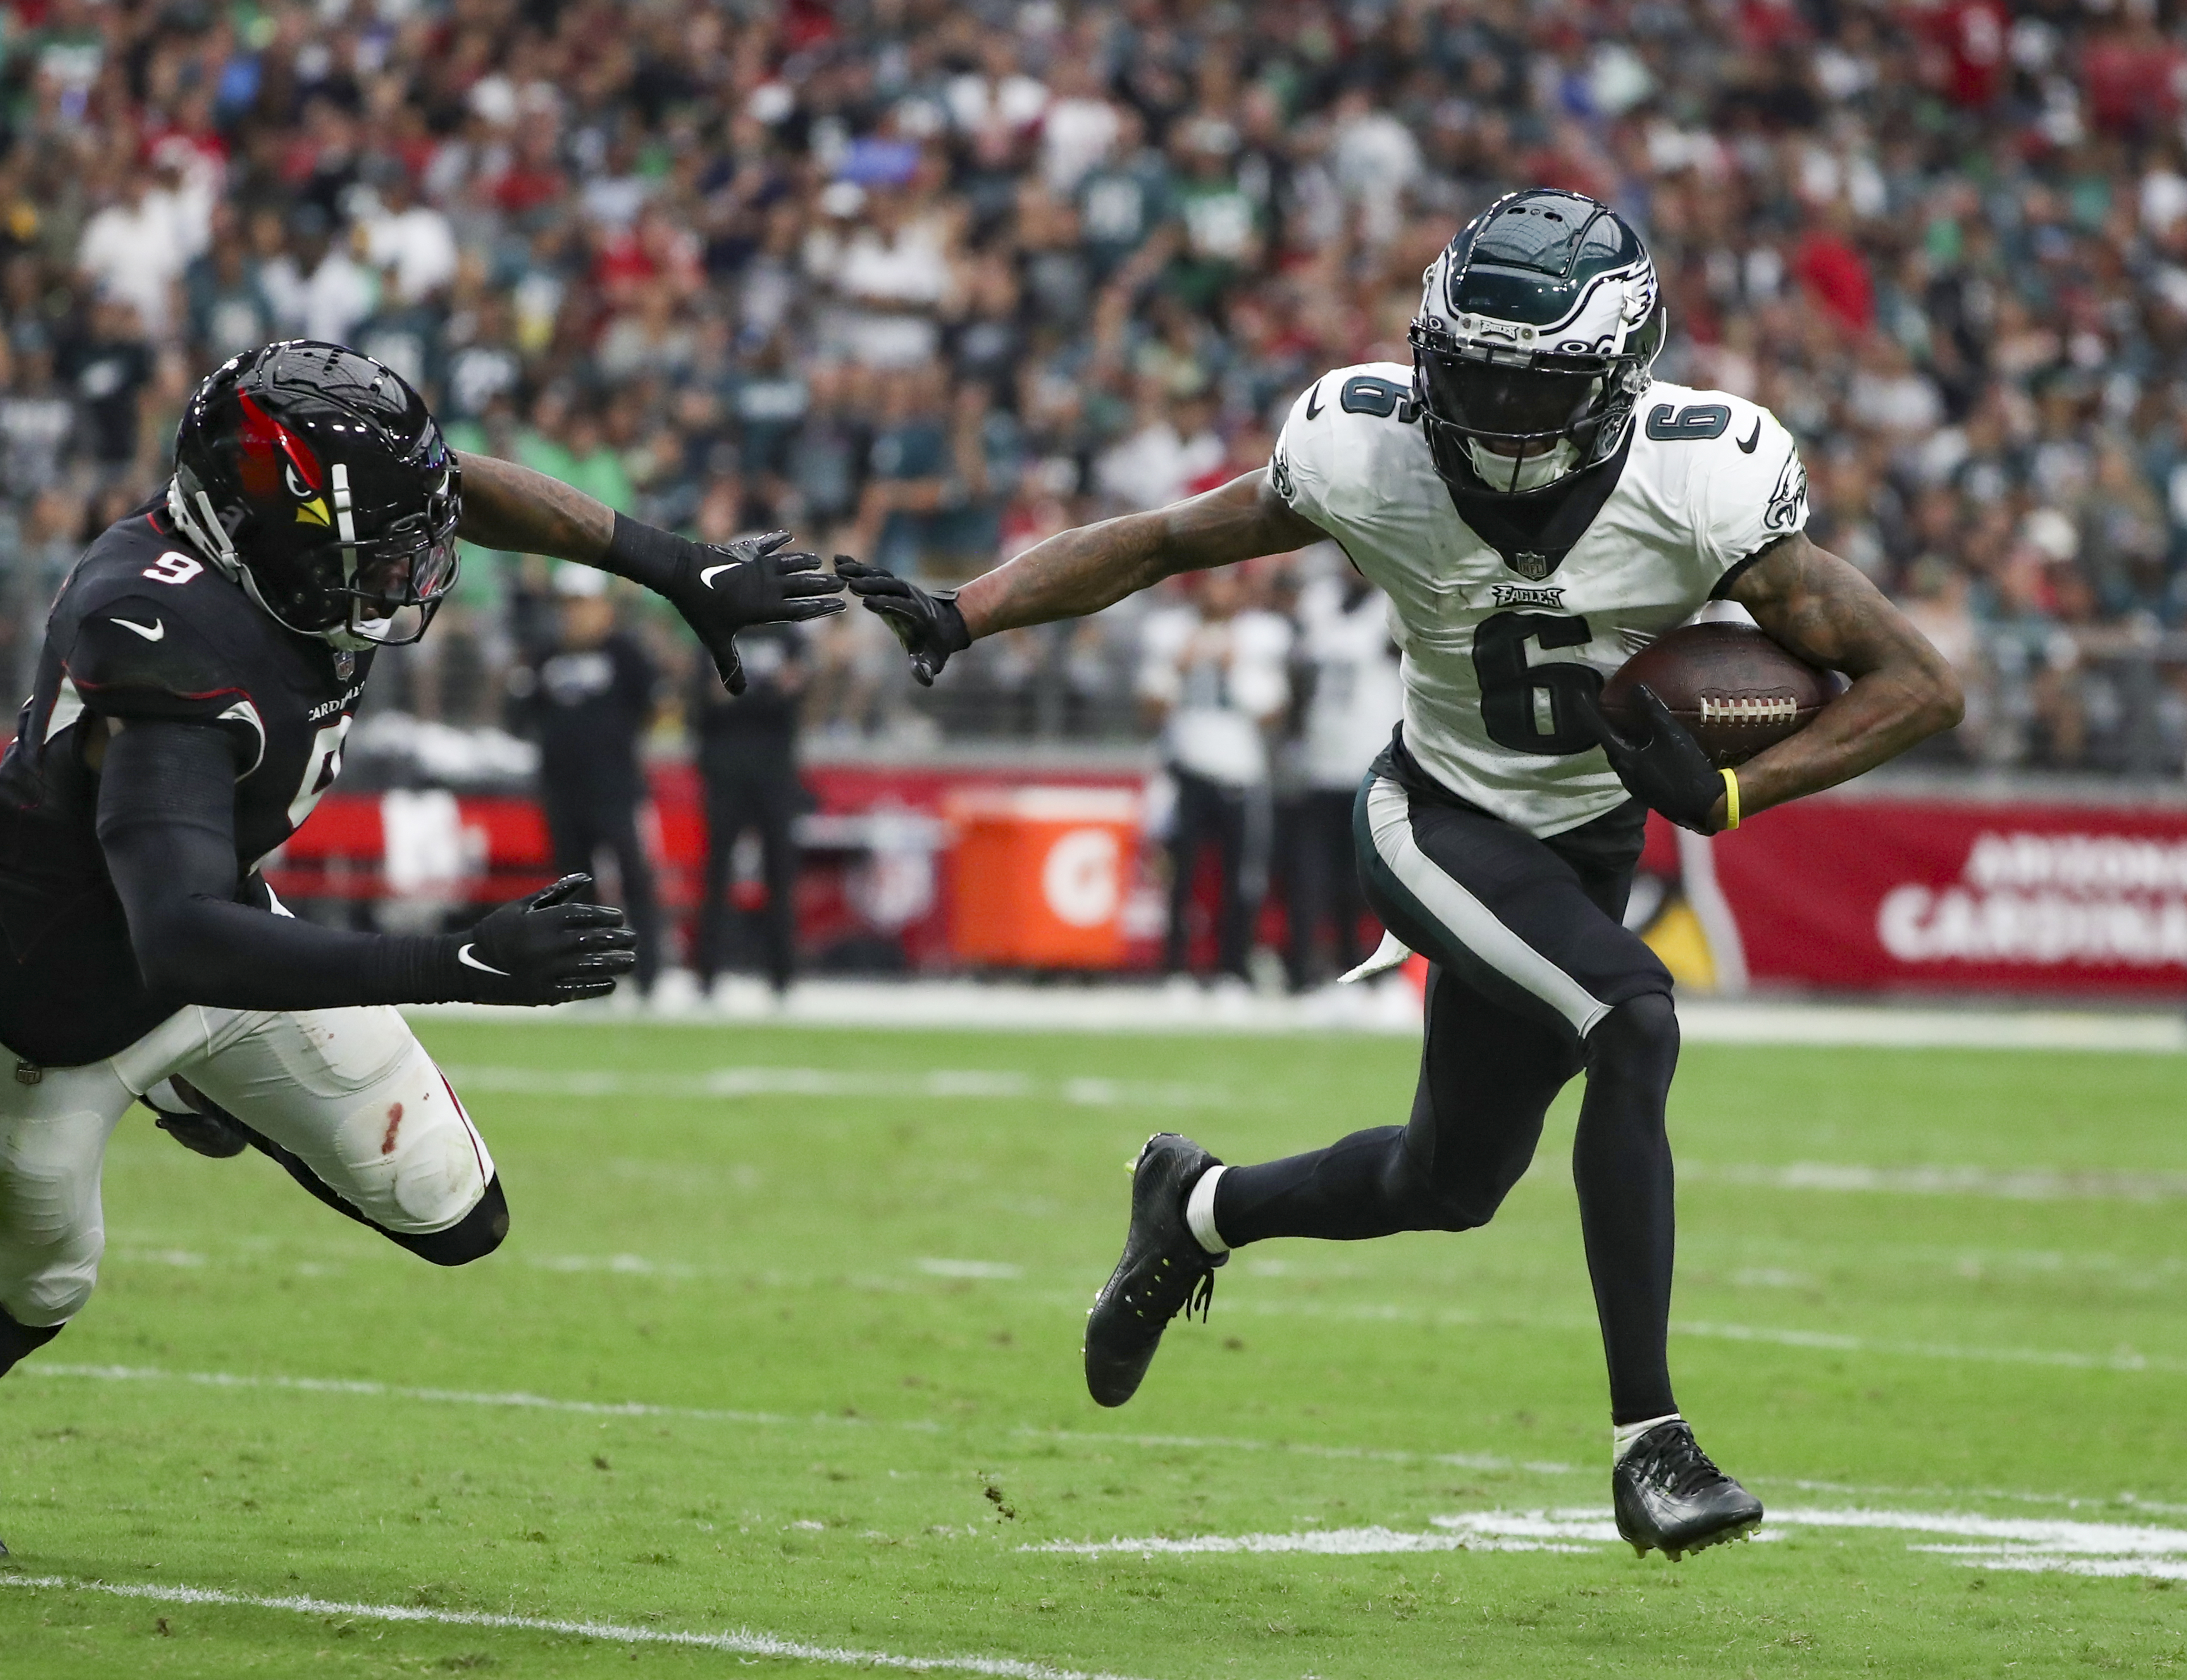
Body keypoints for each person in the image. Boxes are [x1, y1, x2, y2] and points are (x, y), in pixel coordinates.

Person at [840, 190, 1963, 1562]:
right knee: (1633, 1015)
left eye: (1524, 382)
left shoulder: (1702, 481)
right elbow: (1160, 540)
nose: (1489, 412)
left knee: (1451, 1179)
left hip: (1581, 844)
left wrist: (1733, 788)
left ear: (1616, 375)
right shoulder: (1366, 450)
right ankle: (1649, 1444)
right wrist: (968, 608)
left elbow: (1916, 684)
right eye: (1468, 372)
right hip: (1432, 815)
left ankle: (1196, 1207)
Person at [0, 340, 844, 1559]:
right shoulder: (158, 625)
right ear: (252, 524)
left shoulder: (286, 547)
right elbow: (174, 936)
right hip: (57, 1001)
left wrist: (671, 564)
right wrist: (457, 964)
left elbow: (453, 488)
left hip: (225, 930)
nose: (408, 567)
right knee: (39, 1287)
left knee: (456, 1209)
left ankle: (202, 1082)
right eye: (371, 545)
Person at [513, 566, 665, 996]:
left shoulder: (626, 654)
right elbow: (527, 713)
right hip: (563, 789)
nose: (574, 615)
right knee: (576, 885)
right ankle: (589, 970)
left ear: (603, 608)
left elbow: (649, 706)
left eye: (582, 604)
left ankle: (649, 972)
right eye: (568, 606)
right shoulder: (545, 656)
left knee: (634, 876)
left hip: (614, 786)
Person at [1136, 566, 1290, 988]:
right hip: (1185, 769)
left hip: (1241, 774)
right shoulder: (1171, 633)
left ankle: (1232, 971)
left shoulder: (1261, 634)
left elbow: (1273, 711)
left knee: (1242, 880)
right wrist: (1177, 670)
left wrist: (1235, 670)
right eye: (1210, 582)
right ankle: (1175, 970)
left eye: (1226, 583)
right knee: (1177, 878)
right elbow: (1149, 710)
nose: (1217, 592)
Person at [1279, 554, 1400, 989]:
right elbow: (1296, 673)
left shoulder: (1391, 607)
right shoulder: (1320, 604)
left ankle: (1367, 973)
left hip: (1372, 765)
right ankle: (1307, 972)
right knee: (1311, 877)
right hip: (1320, 761)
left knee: (1366, 881)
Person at [692, 620, 808, 1000]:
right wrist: (766, 692)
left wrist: (740, 695)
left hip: (773, 771)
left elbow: (796, 695)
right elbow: (704, 701)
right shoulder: (713, 629)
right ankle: (708, 973)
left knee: (780, 873)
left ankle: (782, 975)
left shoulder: (788, 636)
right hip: (726, 771)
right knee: (717, 874)